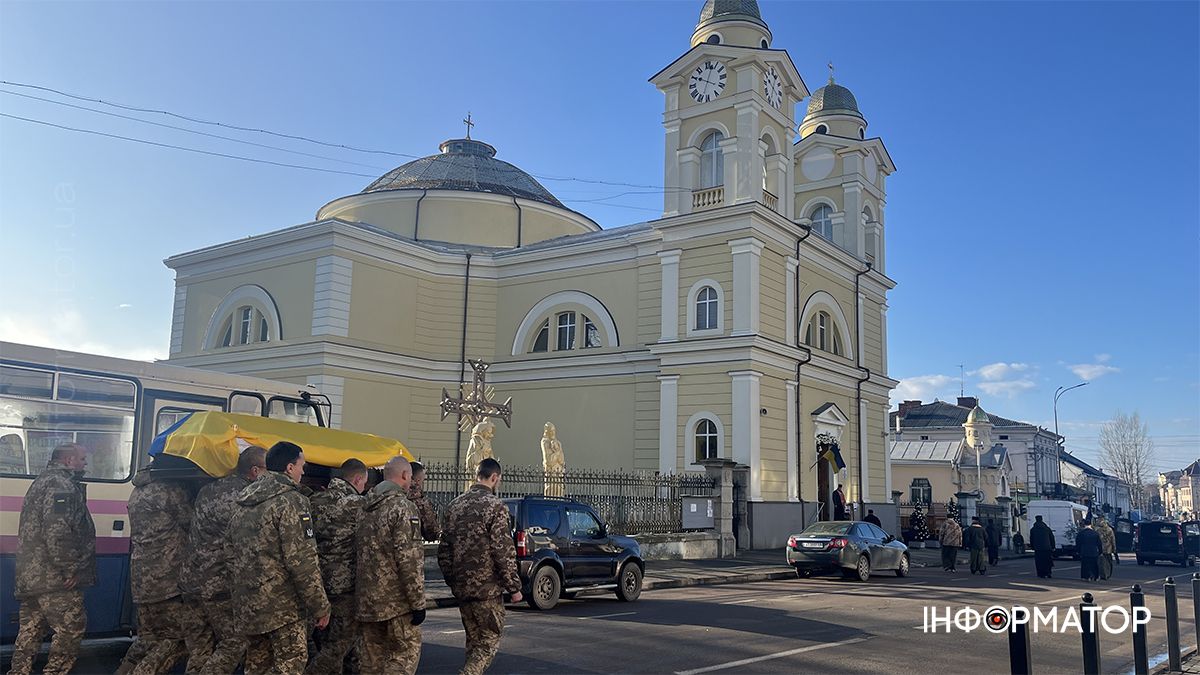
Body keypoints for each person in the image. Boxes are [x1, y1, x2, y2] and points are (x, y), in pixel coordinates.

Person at [230, 442, 330, 674]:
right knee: (291, 662)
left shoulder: (243, 499)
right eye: (301, 466)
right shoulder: (292, 502)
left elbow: (230, 552)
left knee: (257, 665)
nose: (303, 472)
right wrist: (320, 606)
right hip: (282, 606)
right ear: (289, 467)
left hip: (249, 603)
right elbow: (302, 561)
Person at [10, 443, 96, 675]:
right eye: (82, 458)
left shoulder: (41, 482)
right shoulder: (61, 485)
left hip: (32, 575)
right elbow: (57, 531)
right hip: (54, 578)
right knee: (71, 628)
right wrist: (69, 569)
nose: (85, 463)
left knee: (31, 629)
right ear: (68, 461)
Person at [178, 446, 265, 674]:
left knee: (200, 648)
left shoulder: (209, 489)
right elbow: (246, 545)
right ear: (255, 471)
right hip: (218, 583)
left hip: (191, 579)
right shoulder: (247, 497)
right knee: (235, 641)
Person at [438, 458, 523, 675]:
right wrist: (513, 587)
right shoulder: (496, 507)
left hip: (462, 587)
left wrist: (453, 580)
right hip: (487, 589)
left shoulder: (454, 505)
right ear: (494, 478)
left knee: (473, 641)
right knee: (488, 641)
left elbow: (444, 550)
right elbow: (502, 550)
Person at [119, 467, 195, 675]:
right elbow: (192, 523)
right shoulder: (171, 490)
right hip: (167, 578)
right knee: (175, 639)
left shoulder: (139, 490)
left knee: (147, 638)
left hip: (142, 577)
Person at [356, 457, 426, 674]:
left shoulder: (364, 507)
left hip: (367, 599)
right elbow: (409, 559)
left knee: (371, 662)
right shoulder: (404, 507)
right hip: (397, 603)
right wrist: (418, 603)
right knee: (404, 656)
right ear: (405, 475)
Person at [306, 459, 368, 674]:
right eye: (363, 484)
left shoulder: (313, 500)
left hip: (315, 585)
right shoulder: (355, 504)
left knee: (331, 645)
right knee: (338, 647)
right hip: (344, 588)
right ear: (358, 479)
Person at [409, 460, 441, 542]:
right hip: (410, 549)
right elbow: (431, 532)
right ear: (418, 480)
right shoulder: (420, 502)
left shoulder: (390, 495)